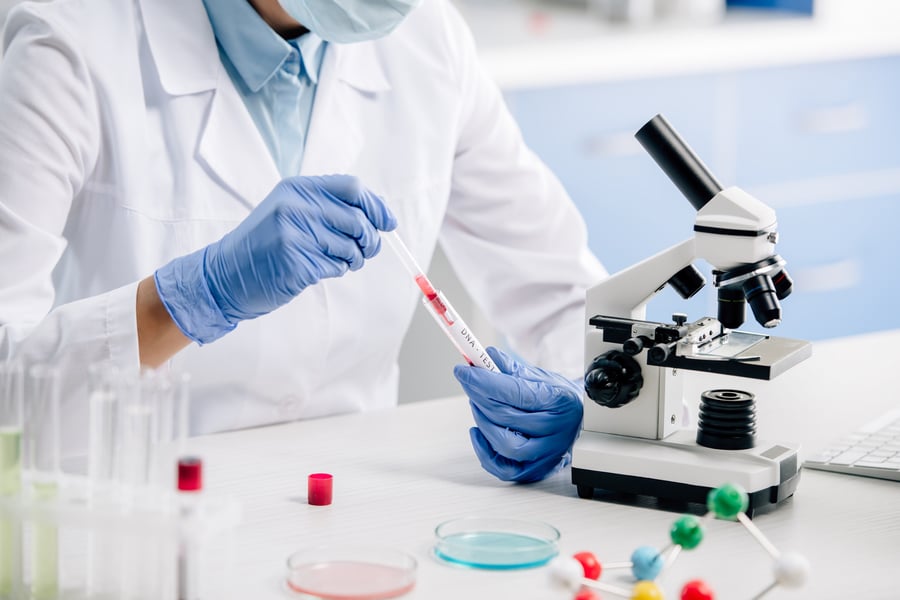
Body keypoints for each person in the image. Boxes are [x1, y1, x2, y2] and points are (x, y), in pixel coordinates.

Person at [0, 0, 606, 482]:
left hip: (359, 506)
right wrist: (189, 299)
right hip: (134, 511)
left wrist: (586, 404)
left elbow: (561, 294)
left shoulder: (430, 40)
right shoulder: (66, 41)